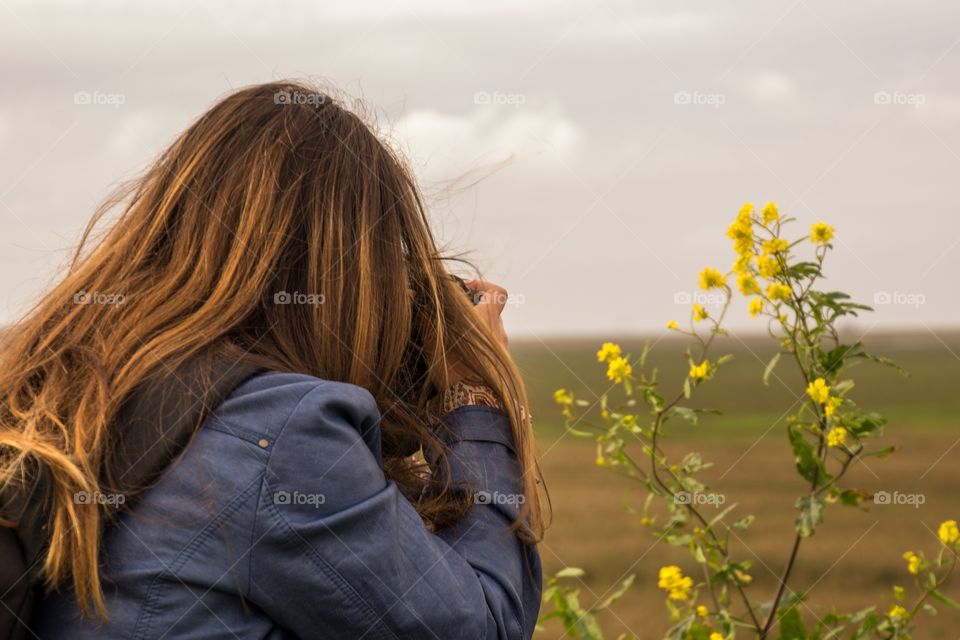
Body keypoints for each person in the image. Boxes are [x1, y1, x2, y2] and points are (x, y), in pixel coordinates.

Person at [0, 81, 543, 639]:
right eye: (388, 271)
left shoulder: (62, 388)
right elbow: (482, 626)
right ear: (350, 279)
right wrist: (473, 392)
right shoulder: (281, 434)